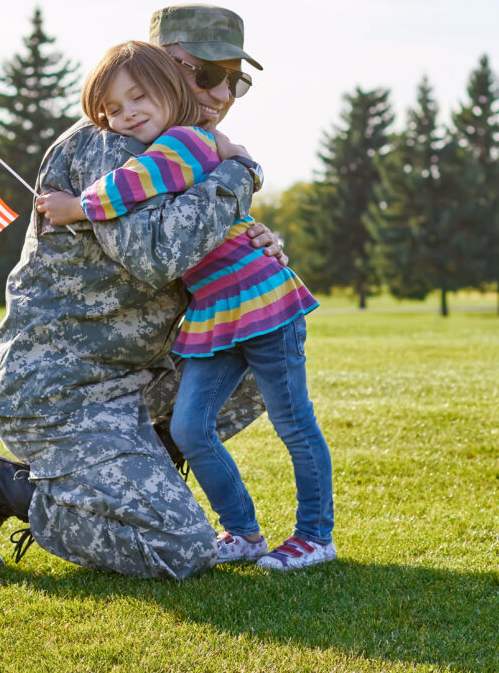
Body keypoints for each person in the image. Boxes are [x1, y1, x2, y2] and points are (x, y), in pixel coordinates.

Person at [0, 4, 282, 579]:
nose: (222, 94)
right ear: (163, 67)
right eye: (207, 74)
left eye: (235, 80)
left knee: (257, 348)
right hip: (62, 388)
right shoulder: (114, 142)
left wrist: (251, 249)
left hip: (129, 380)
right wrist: (240, 174)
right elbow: (158, 257)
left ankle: (140, 485)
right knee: (184, 551)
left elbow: (192, 256)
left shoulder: (183, 152)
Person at [41, 41, 335, 571]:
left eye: (138, 99)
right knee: (189, 428)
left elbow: (132, 187)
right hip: (218, 311)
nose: (126, 115)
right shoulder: (186, 147)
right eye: (113, 109)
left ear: (169, 92)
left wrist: (74, 208)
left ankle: (316, 534)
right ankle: (243, 531)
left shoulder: (187, 142)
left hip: (261, 301)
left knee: (294, 421)